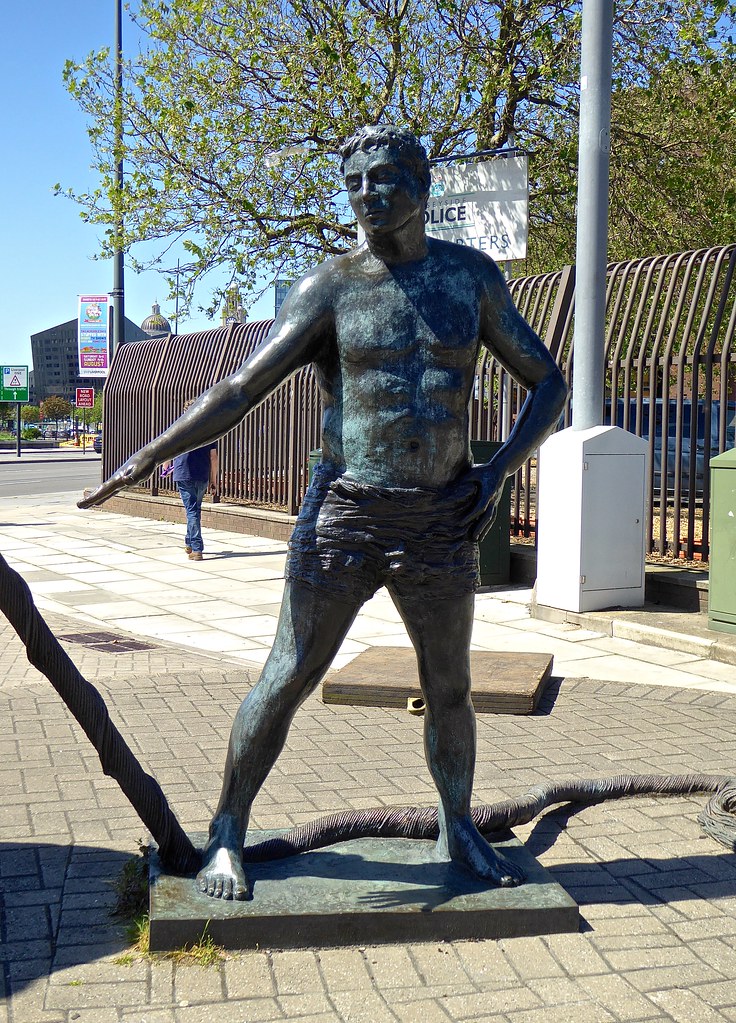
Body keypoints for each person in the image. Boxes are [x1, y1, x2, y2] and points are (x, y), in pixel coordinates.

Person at [79, 124, 567, 900]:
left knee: (450, 685)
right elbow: (239, 389)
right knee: (287, 675)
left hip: (439, 518)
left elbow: (548, 381)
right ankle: (227, 833)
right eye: (355, 182)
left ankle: (459, 824)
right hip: (345, 512)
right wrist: (144, 456)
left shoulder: (470, 279)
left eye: (384, 177)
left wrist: (500, 468)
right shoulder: (330, 288)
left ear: (423, 186)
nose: (367, 194)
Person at [161, 401, 219, 561]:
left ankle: (197, 548)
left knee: (192, 511)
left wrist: (166, 467)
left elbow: (168, 449)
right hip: (202, 475)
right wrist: (214, 480)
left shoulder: (179, 428)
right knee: (194, 509)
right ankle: (189, 542)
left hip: (184, 473)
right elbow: (213, 457)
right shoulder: (209, 431)